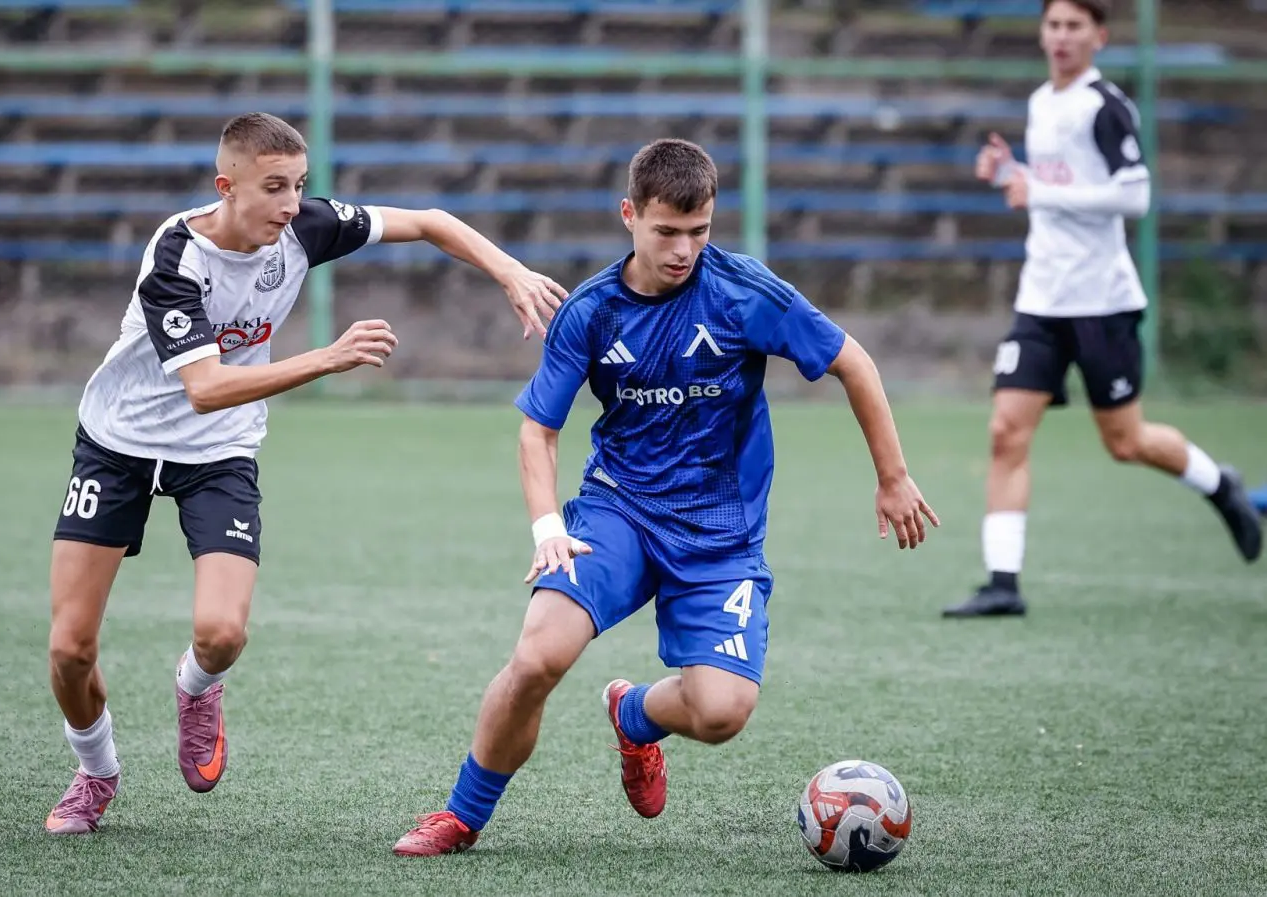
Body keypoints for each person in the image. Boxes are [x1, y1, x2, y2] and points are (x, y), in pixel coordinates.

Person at [392, 138, 938, 857]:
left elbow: (853, 362)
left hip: (719, 535)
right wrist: (547, 527)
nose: (684, 249)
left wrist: (893, 476)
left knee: (721, 713)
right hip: (616, 513)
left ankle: (635, 715)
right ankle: (461, 815)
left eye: (699, 231)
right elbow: (538, 431)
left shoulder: (743, 292)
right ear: (629, 215)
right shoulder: (591, 311)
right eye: (667, 231)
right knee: (536, 658)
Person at [41, 112, 569, 835]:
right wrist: (328, 357)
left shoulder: (303, 227)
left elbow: (430, 221)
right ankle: (96, 772)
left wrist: (509, 271)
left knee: (222, 634)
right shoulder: (177, 257)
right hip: (117, 445)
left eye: (299, 185)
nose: (292, 204)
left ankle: (196, 689)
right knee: (70, 648)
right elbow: (205, 387)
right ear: (226, 187)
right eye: (274, 188)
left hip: (218, 453)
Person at [945, 0, 1261, 619]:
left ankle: (1219, 484)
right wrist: (1010, 173)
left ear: (1100, 37)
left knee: (1126, 441)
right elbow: (1059, 186)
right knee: (1006, 430)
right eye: (1053, 25)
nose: (1061, 37)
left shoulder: (1106, 106)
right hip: (1041, 298)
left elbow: (1133, 196)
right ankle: (1003, 584)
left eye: (1074, 26)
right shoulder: (1042, 102)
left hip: (1100, 302)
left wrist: (1039, 189)